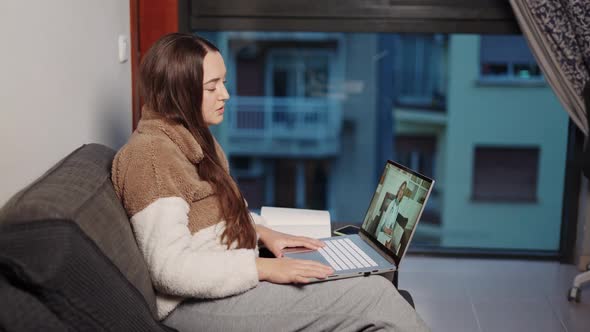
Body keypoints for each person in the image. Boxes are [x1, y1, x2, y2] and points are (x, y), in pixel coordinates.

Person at [112, 32, 429, 331]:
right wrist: (265, 269)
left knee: (357, 280)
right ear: (177, 92)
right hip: (192, 305)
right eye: (212, 87)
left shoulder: (193, 138)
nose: (226, 94)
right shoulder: (151, 157)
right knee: (372, 295)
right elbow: (170, 270)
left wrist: (264, 234)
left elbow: (215, 217)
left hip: (231, 272)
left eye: (224, 82)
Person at [375, 181, 407, 247]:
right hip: (384, 229)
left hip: (389, 231)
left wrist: (391, 231)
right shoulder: (392, 202)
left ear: (404, 193)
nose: (401, 191)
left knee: (388, 246)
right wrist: (384, 228)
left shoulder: (399, 206)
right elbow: (386, 216)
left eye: (403, 190)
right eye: (400, 189)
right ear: (398, 190)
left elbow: (393, 220)